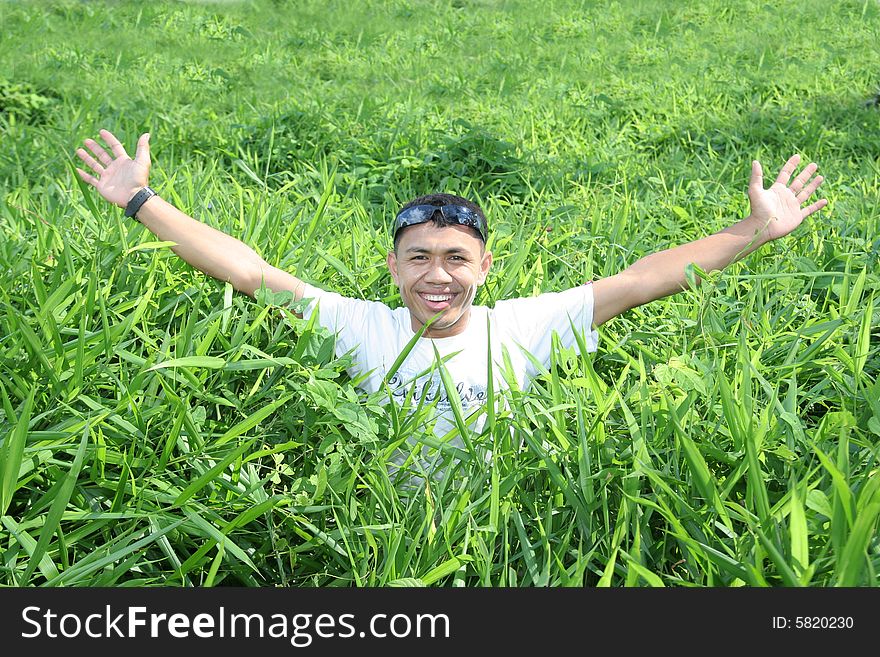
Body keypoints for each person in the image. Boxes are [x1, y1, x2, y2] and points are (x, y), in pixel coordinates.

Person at [74, 129, 827, 483]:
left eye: (457, 258)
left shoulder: (521, 327)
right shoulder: (357, 325)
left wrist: (755, 230)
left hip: (495, 533)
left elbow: (644, 278)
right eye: (420, 258)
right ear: (393, 265)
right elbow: (249, 271)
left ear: (485, 266)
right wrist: (141, 200)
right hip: (381, 537)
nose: (439, 276)